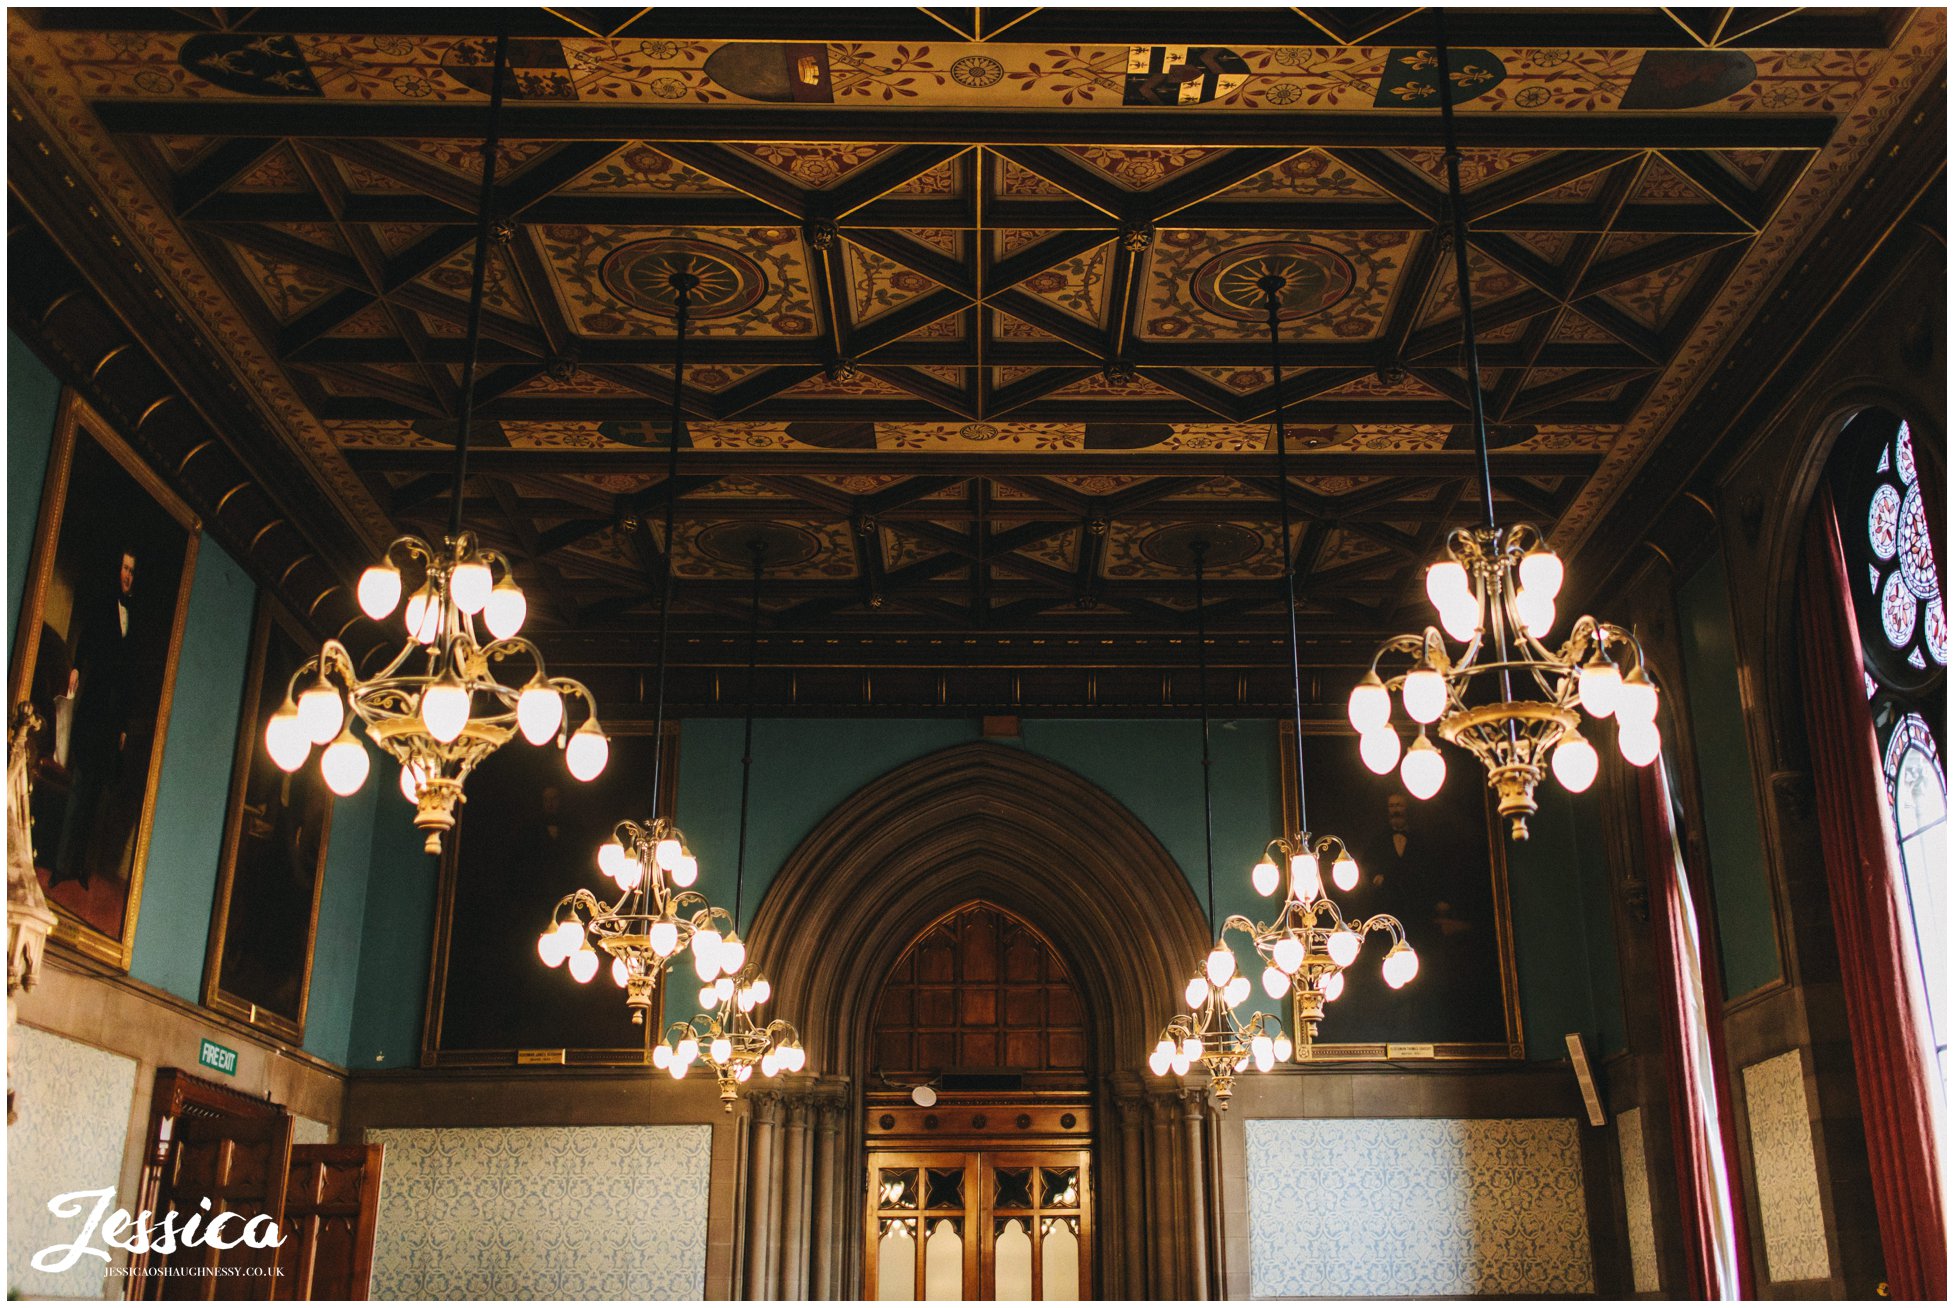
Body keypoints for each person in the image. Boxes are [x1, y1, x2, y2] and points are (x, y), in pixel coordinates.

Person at [50, 548, 139, 889]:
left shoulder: (135, 617)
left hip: (114, 720)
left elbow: (131, 676)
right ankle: (59, 866)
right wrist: (75, 667)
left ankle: (80, 870)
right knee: (79, 788)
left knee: (96, 797)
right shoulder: (104, 606)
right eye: (123, 567)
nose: (126, 574)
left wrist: (124, 729)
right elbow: (86, 640)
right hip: (93, 711)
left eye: (131, 570)